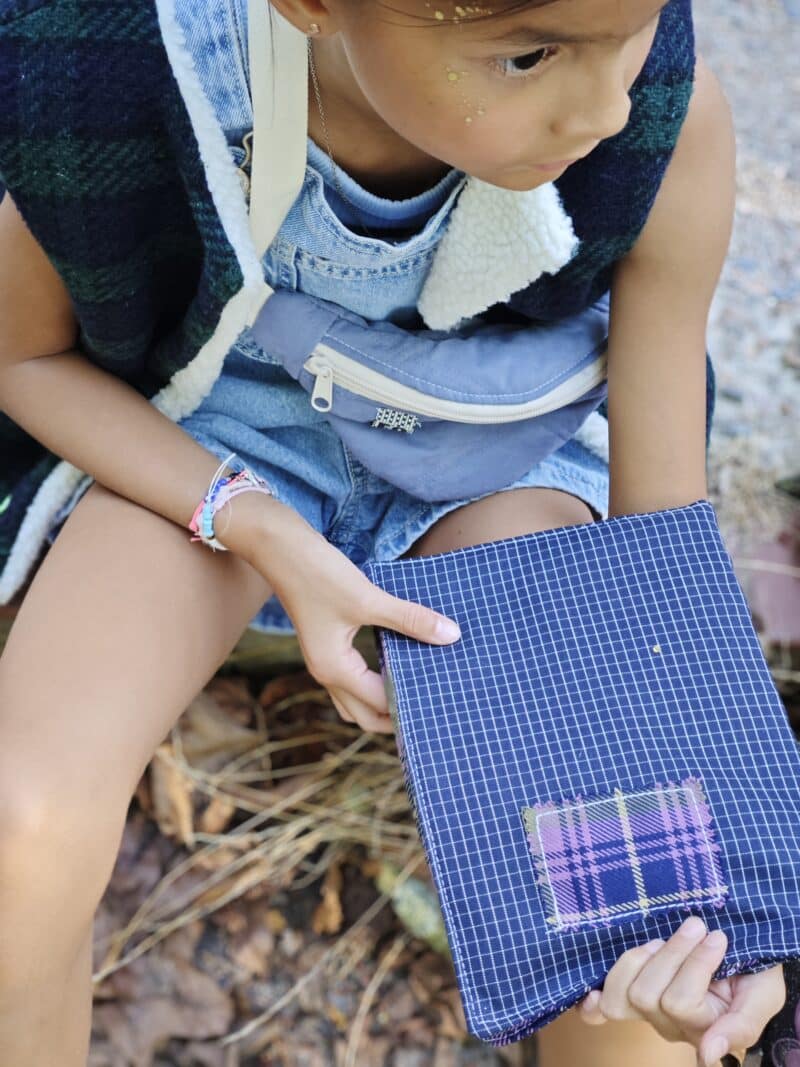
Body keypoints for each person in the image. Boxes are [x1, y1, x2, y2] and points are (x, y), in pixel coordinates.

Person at [0, 0, 786, 1063]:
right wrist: (260, 525)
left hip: (507, 443)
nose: (605, 108)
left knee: (646, 886)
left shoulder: (661, 117)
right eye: (527, 55)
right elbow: (20, 356)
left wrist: (733, 911)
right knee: (20, 822)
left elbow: (653, 560)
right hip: (213, 441)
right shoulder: (116, 70)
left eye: (637, 26)